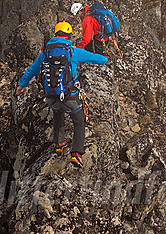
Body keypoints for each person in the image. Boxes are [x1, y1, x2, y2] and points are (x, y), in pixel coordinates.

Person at [16, 21, 107, 167]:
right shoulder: (73, 51)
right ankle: (76, 153)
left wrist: (22, 85)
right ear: (69, 35)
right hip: (70, 96)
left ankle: (58, 144)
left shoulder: (45, 53)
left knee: (58, 113)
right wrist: (105, 59)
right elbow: (98, 59)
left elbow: (32, 70)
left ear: (55, 34)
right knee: (79, 121)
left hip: (51, 97)